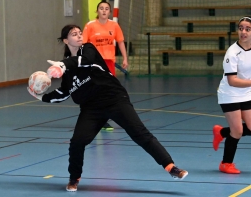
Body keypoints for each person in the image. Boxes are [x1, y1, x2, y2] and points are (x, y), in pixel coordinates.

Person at [27, 24, 188, 192]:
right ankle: (74, 178)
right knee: (77, 142)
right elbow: (62, 93)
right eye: (74, 34)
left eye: (80, 33)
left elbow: (85, 61)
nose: (79, 36)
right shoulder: (68, 71)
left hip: (115, 100)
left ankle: (171, 167)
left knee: (141, 134)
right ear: (66, 40)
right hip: (91, 109)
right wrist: (41, 96)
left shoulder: (88, 50)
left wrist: (62, 65)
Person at [213, 16, 251, 174]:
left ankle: (221, 132)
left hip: (244, 93)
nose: (243, 32)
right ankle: (226, 164)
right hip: (229, 94)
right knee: (237, 131)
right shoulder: (232, 53)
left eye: (247, 29)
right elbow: (232, 81)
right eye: (240, 28)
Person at [82, 1, 129, 131]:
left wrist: (125, 58)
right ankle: (96, 118)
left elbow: (120, 42)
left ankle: (105, 117)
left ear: (109, 12)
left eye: (106, 9)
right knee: (95, 90)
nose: (104, 11)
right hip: (95, 63)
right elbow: (83, 45)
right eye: (101, 8)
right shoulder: (90, 26)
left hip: (109, 62)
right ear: (97, 11)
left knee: (109, 90)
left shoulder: (114, 25)